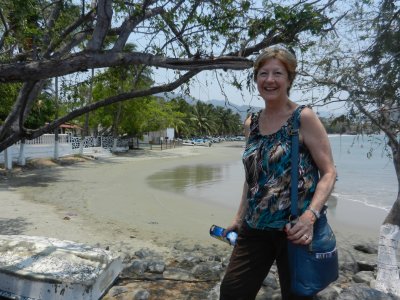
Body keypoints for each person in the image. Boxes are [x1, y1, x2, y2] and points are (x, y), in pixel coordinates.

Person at [219, 45, 337, 300]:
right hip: (255, 227)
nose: (269, 80)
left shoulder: (303, 118)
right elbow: (252, 178)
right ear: (256, 79)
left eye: (277, 73)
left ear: (289, 79)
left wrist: (309, 217)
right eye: (263, 73)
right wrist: (239, 218)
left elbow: (329, 173)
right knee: (232, 292)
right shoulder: (251, 123)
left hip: (295, 230)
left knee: (298, 296)